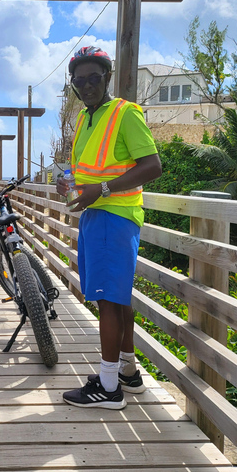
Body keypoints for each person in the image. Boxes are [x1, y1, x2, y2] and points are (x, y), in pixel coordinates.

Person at [58, 46, 162, 410]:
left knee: (107, 300)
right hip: (96, 214)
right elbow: (93, 170)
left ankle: (107, 387)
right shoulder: (89, 119)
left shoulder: (123, 113)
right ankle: (128, 373)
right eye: (79, 81)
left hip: (113, 215)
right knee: (117, 298)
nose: (86, 86)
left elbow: (152, 166)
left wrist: (99, 190)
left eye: (93, 78)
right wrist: (71, 184)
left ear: (107, 79)